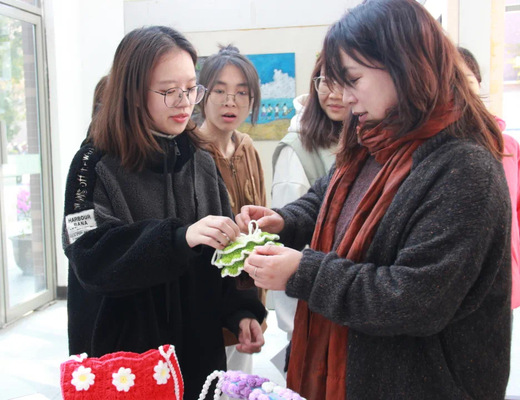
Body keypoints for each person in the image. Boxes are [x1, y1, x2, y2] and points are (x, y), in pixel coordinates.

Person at [237, 0, 511, 398]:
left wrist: (304, 272)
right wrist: (284, 221)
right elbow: (326, 200)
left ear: (404, 66)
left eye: (352, 79)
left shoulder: (464, 169)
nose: (343, 97)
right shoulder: (374, 140)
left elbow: (413, 299)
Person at [62, 26, 266, 400]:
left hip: (196, 356)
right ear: (132, 93)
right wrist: (178, 238)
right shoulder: (93, 163)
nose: (184, 102)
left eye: (191, 89)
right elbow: (88, 255)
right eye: (169, 91)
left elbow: (224, 252)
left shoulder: (200, 160)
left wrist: (241, 311)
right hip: (125, 364)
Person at [270, 53, 348, 374]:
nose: (334, 93)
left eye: (345, 80)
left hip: (343, 303)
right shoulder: (298, 148)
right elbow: (290, 242)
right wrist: (295, 327)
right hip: (315, 310)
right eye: (325, 81)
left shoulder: (361, 141)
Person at [197, 44, 266, 374]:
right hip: (207, 306)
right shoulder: (191, 152)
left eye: (241, 92)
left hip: (248, 298)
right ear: (202, 95)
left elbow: (262, 221)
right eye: (220, 91)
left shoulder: (247, 147)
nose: (230, 102)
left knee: (241, 385)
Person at [458, 46, 520, 310]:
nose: (460, 90)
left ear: (478, 84)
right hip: (461, 293)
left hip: (508, 283)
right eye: (449, 82)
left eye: (467, 80)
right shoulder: (433, 151)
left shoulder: (508, 146)